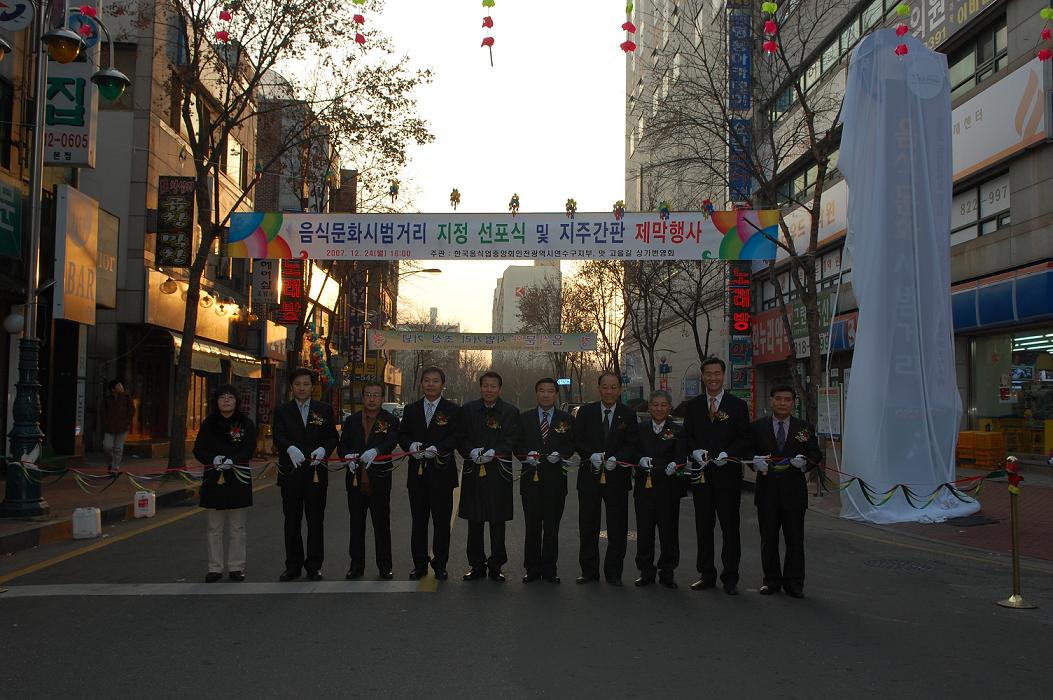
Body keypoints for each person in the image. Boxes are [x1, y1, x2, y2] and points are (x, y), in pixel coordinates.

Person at [683, 357, 751, 595]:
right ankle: (706, 574)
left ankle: (730, 577)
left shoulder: (737, 406)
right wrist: (694, 450)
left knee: (730, 528)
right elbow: (687, 436)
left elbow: (745, 438)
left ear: (724, 375)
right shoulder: (693, 406)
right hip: (701, 478)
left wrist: (729, 453)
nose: (713, 377)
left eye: (717, 373)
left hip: (728, 477)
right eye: (708, 374)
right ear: (703, 377)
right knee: (703, 527)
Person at [748, 384, 823, 598]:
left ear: (793, 403)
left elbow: (815, 453)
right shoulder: (757, 427)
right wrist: (754, 462)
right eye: (778, 399)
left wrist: (805, 462)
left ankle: (794, 583)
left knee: (795, 540)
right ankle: (771, 580)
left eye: (787, 400)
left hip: (793, 494)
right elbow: (748, 450)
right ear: (771, 400)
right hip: (767, 493)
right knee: (768, 539)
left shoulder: (804, 427)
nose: (782, 403)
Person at [272, 368, 338, 581]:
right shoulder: (282, 410)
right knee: (291, 520)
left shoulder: (324, 410)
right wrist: (289, 448)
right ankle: (292, 565)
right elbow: (278, 435)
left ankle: (314, 565)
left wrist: (324, 450)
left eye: (306, 384)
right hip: (291, 474)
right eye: (297, 384)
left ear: (313, 386)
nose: (302, 388)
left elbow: (332, 437)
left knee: (315, 520)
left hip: (316, 474)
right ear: (292, 386)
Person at [574, 372, 639, 586]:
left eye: (613, 387)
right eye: (605, 387)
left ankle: (614, 572)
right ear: (598, 388)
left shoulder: (628, 414)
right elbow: (577, 439)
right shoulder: (586, 412)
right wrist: (589, 454)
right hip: (589, 478)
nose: (609, 391)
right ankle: (589, 571)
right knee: (588, 525)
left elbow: (632, 444)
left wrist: (618, 458)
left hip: (617, 478)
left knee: (617, 527)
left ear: (619, 389)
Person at [397, 366, 460, 581]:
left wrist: (440, 449)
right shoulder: (411, 409)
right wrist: (410, 445)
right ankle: (420, 564)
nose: (431, 384)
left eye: (435, 381)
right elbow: (402, 434)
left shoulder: (452, 409)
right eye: (427, 380)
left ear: (443, 385)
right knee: (419, 522)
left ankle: (440, 564)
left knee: (442, 523)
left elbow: (456, 437)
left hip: (442, 473)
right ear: (421, 384)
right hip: (418, 475)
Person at [457, 371, 520, 582]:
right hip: (474, 471)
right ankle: (476, 565)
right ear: (480, 387)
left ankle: (496, 566)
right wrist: (470, 451)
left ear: (499, 389)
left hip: (498, 473)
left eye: (493, 386)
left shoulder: (510, 411)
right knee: (474, 521)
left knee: (497, 521)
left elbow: (512, 438)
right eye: (485, 385)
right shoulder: (468, 410)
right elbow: (461, 437)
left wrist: (496, 451)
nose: (489, 390)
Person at [193, 384, 257, 583]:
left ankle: (237, 567)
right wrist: (213, 459)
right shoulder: (208, 423)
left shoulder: (245, 423)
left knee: (238, 527)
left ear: (236, 401)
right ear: (216, 401)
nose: (226, 400)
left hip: (238, 478)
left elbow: (249, 448)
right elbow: (199, 449)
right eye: (222, 397)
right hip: (214, 478)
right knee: (214, 527)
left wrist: (234, 460)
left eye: (230, 397)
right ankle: (215, 568)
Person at [517, 378, 578, 584]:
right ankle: (532, 569)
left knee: (552, 528)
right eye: (541, 391)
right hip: (530, 482)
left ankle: (550, 569)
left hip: (555, 483)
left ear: (556, 394)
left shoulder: (566, 419)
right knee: (532, 527)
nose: (545, 395)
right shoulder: (524, 418)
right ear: (536, 393)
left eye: (550, 391)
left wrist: (561, 454)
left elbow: (571, 445)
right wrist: (526, 455)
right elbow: (517, 445)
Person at [338, 381, 401, 580]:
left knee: (381, 523)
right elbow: (342, 445)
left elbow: (392, 441)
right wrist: (346, 456)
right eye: (368, 395)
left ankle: (385, 566)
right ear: (362, 397)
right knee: (356, 524)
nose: (372, 399)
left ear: (382, 398)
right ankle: (356, 566)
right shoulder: (352, 421)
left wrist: (378, 451)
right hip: (355, 479)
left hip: (379, 479)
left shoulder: (390, 420)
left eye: (376, 395)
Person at [633, 390, 688, 589]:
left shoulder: (678, 430)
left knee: (668, 531)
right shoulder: (641, 429)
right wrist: (639, 459)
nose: (658, 408)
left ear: (669, 408)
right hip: (644, 488)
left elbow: (683, 455)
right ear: (649, 407)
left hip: (669, 488)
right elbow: (633, 451)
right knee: (645, 530)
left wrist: (677, 464)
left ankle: (667, 572)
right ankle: (646, 571)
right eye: (655, 404)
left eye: (663, 404)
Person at [101, 380, 134, 474]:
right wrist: (106, 423)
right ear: (113, 389)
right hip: (110, 428)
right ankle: (111, 462)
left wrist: (127, 422)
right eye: (118, 385)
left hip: (122, 427)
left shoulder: (126, 398)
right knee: (106, 446)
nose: (121, 386)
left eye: (121, 384)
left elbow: (131, 411)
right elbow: (103, 413)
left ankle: (115, 468)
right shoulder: (107, 400)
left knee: (118, 448)